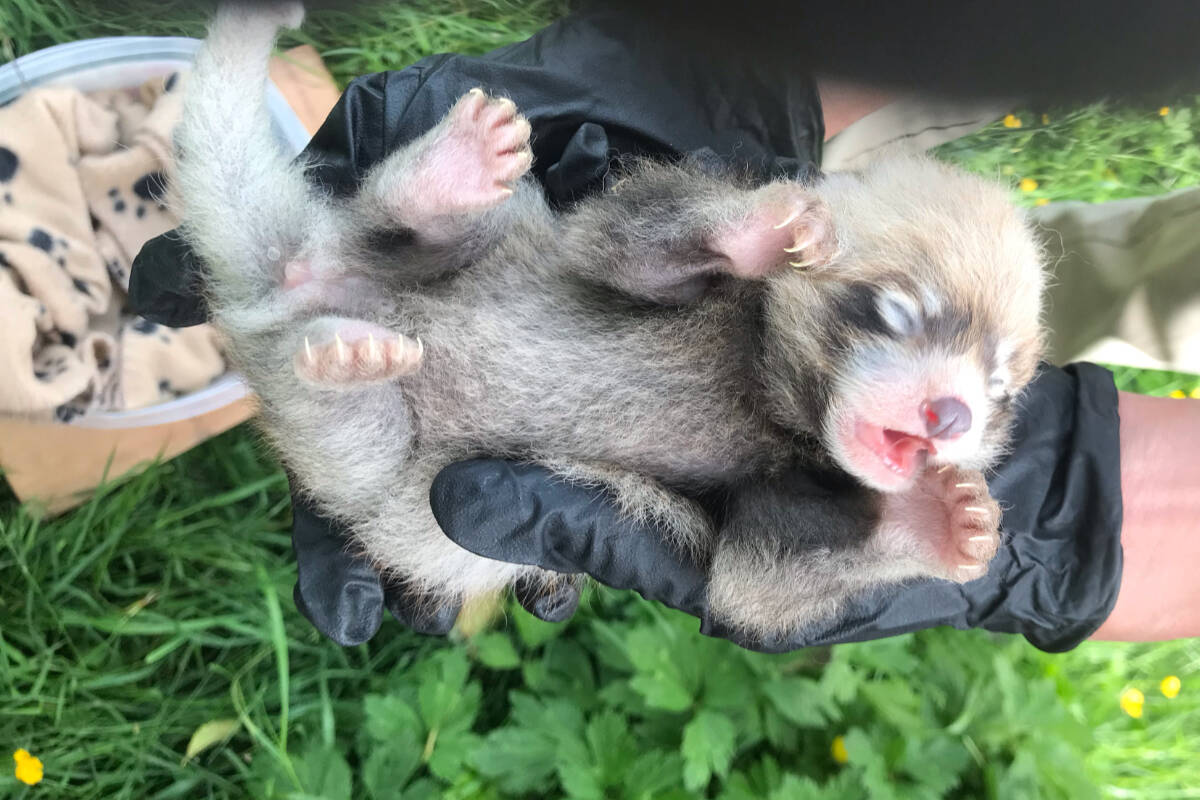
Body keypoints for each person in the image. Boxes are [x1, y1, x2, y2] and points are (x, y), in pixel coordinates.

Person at [130, 0, 1200, 653]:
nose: (961, 406)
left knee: (425, 524)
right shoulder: (741, 276)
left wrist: (896, 542)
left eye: (1002, 388)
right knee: (473, 215)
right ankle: (388, 200)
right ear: (803, 239)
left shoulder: (812, 489)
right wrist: (718, 229)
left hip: (420, 451)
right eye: (892, 313)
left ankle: (333, 359)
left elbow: (752, 582)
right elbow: (603, 246)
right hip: (437, 268)